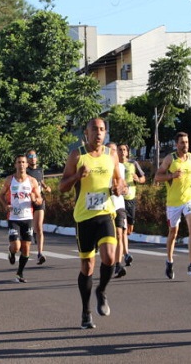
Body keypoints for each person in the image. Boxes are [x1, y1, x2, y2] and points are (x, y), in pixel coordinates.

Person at [60, 118, 125, 329]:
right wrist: (77, 176)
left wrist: (119, 188)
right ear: (86, 133)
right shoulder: (77, 155)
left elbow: (119, 181)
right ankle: (86, 311)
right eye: (94, 129)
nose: (98, 133)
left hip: (106, 213)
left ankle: (102, 291)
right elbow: (62, 186)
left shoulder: (111, 155)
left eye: (102, 129)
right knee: (87, 266)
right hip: (84, 217)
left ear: (106, 133)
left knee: (110, 256)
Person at [155, 131, 191, 280]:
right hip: (173, 202)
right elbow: (157, 176)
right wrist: (171, 176)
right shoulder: (170, 159)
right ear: (177, 144)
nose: (185, 145)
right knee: (173, 233)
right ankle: (169, 261)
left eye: (187, 142)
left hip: (189, 198)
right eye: (182, 142)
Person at [0, 155, 43, 283]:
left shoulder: (32, 181)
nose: (21, 164)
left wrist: (36, 200)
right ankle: (11, 253)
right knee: (16, 247)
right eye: (19, 162)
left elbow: (40, 198)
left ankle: (20, 272)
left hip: (28, 217)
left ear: (27, 165)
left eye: (23, 162)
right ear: (15, 165)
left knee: (26, 248)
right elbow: (0, 195)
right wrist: (5, 205)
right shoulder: (9, 180)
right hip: (13, 218)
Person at [119, 143, 146, 267]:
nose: (122, 152)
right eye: (120, 150)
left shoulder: (133, 164)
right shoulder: (114, 165)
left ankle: (124, 251)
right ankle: (126, 254)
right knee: (122, 230)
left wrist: (138, 179)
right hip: (119, 200)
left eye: (124, 150)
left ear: (128, 152)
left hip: (131, 199)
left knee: (129, 230)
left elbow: (143, 178)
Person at [107, 143, 129, 279]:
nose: (113, 153)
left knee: (120, 235)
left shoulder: (121, 167)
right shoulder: (101, 167)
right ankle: (109, 263)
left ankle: (118, 264)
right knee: (110, 239)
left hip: (119, 205)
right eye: (110, 151)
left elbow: (125, 186)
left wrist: (124, 190)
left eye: (114, 151)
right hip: (105, 207)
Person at [26, 149, 51, 265]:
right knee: (30, 228)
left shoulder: (40, 170)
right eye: (30, 156)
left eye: (34, 155)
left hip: (40, 200)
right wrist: (32, 197)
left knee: (39, 227)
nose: (33, 157)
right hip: (27, 202)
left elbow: (41, 181)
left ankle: (40, 253)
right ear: (27, 159)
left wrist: (46, 187)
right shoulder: (25, 172)